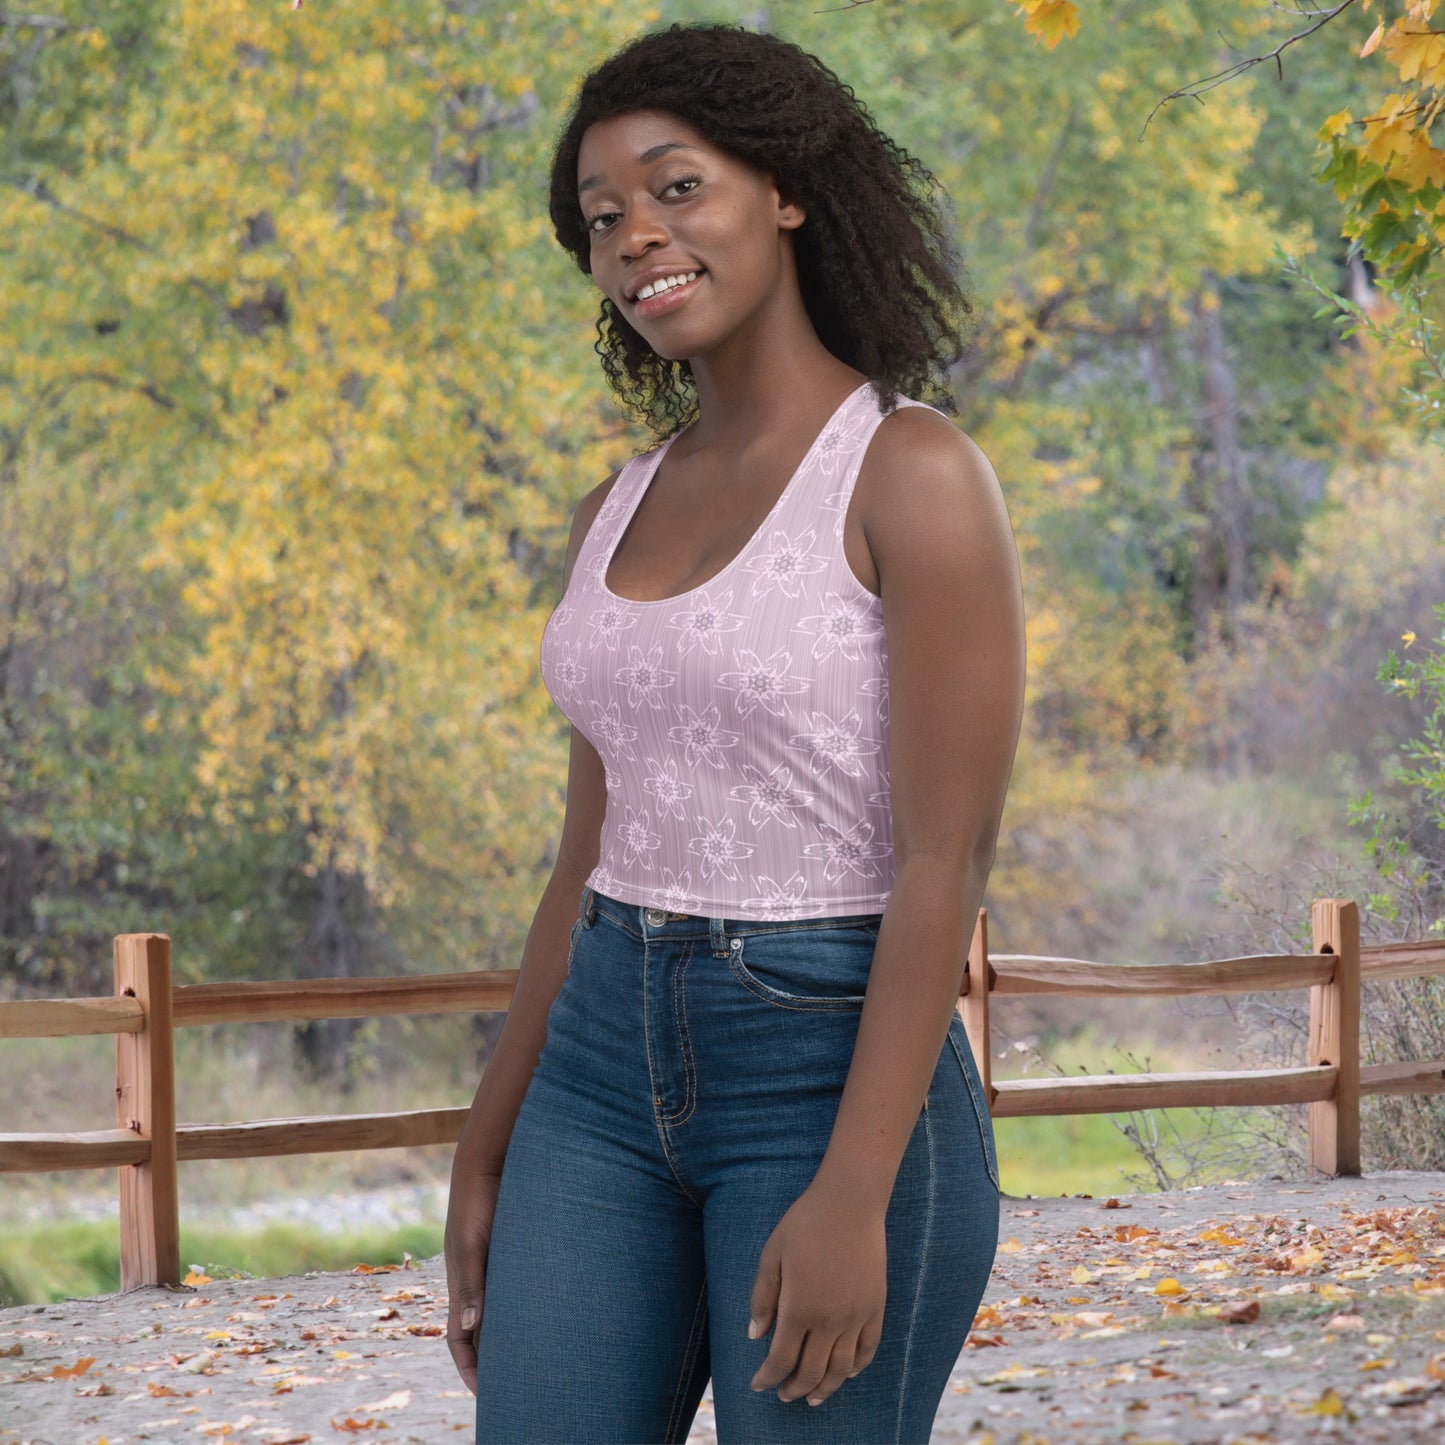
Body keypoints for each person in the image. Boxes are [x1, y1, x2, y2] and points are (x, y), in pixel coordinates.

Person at [444, 22, 1025, 1444]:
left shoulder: (912, 472)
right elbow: (584, 853)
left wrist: (851, 1187)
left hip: (826, 1062)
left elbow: (943, 862)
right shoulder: (616, 505)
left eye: (673, 186)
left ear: (784, 191)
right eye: (599, 218)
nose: (635, 233)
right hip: (592, 1063)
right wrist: (489, 1131)